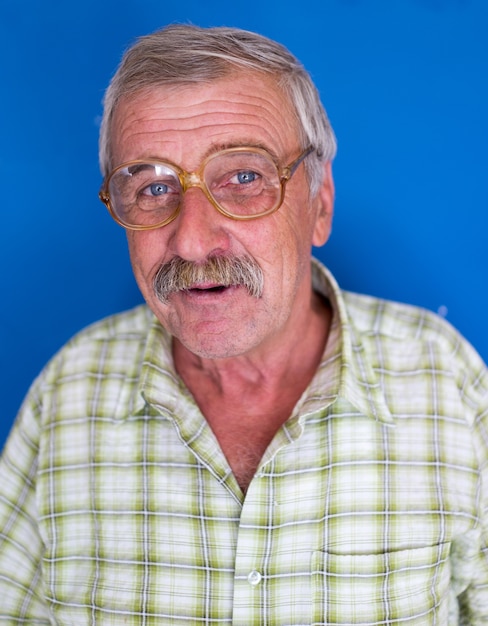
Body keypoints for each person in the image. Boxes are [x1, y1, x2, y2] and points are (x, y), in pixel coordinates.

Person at [0, 23, 487, 625]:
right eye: (153, 187)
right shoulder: (67, 394)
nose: (192, 238)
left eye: (245, 177)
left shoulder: (451, 386)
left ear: (321, 203)